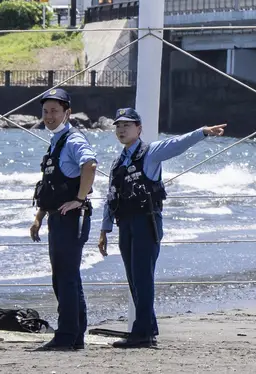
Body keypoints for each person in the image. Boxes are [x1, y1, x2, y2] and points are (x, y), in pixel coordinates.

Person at [97, 108, 226, 348]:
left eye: (127, 125)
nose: (122, 129)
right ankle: (148, 327)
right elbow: (111, 195)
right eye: (118, 126)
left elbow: (176, 144)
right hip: (125, 223)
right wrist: (104, 230)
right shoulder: (118, 162)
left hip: (145, 222)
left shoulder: (150, 153)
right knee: (134, 278)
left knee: (143, 276)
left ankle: (142, 333)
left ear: (139, 129)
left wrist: (203, 133)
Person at [29, 87, 98, 351]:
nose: (49, 116)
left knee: (65, 278)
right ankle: (75, 335)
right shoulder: (56, 141)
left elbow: (90, 164)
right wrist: (39, 217)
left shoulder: (72, 140)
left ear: (67, 113)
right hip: (57, 217)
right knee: (67, 277)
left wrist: (79, 199)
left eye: (55, 111)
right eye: (45, 111)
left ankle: (66, 335)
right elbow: (50, 186)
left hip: (72, 218)